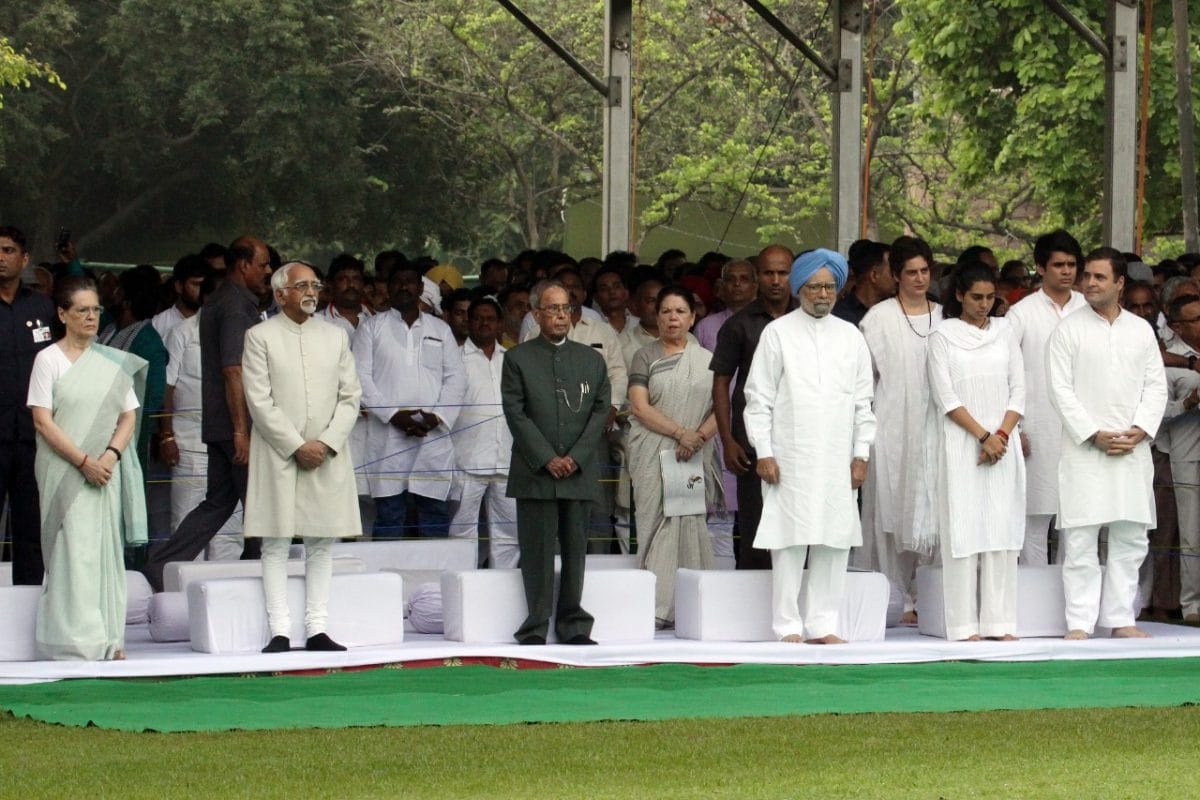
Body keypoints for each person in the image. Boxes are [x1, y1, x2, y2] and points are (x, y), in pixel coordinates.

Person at [743, 249, 875, 643]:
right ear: (799, 288)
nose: (822, 294)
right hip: (791, 456)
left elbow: (863, 402)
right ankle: (786, 625)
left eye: (829, 287)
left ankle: (823, 624)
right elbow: (758, 398)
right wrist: (764, 451)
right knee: (789, 539)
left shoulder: (851, 336)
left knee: (834, 540)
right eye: (815, 287)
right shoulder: (778, 333)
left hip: (838, 456)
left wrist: (861, 453)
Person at [241, 262, 362, 653]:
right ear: (280, 294)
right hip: (279, 453)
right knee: (275, 541)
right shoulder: (259, 336)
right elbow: (258, 400)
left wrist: (325, 442)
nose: (311, 292)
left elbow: (351, 397)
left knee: (321, 541)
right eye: (302, 286)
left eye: (315, 285)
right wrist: (296, 445)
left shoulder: (335, 336)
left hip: (326, 453)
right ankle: (279, 631)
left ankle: (317, 629)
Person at [1047, 247, 1167, 640]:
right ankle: (1079, 622)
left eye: (1100, 277)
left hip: (1132, 448)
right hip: (1085, 449)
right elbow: (1060, 390)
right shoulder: (1068, 330)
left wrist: (1141, 429)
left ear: (1120, 283)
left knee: (1130, 536)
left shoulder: (1140, 330)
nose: (1090, 283)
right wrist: (1092, 433)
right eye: (1088, 276)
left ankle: (1120, 618)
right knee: (1081, 538)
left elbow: (1156, 386)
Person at [142, 236, 272, 591]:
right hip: (238, 426)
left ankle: (160, 566)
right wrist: (241, 430)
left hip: (218, 424)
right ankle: (266, 575)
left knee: (218, 503)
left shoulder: (221, 300)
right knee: (261, 502)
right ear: (243, 265)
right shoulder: (235, 306)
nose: (268, 271)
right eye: (263, 264)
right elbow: (233, 369)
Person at [28, 276, 148, 660]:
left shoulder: (110, 361)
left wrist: (109, 456)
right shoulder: (47, 360)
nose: (91, 317)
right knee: (71, 551)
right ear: (62, 314)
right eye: (82, 310)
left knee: (103, 550)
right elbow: (43, 421)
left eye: (96, 309)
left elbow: (128, 416)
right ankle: (75, 642)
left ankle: (109, 640)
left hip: (104, 470)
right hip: (64, 469)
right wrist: (83, 462)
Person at [501, 280, 610, 645]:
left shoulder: (592, 360)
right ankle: (535, 625)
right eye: (553, 309)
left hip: (578, 472)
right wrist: (547, 458)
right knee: (537, 552)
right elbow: (515, 413)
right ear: (536, 315)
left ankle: (574, 625)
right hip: (535, 472)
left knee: (576, 551)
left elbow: (600, 413)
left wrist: (575, 458)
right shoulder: (517, 358)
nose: (562, 315)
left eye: (566, 308)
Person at [927, 263, 1026, 641]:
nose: (984, 305)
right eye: (976, 297)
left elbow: (1019, 391)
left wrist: (1000, 435)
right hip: (961, 443)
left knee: (1002, 530)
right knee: (963, 531)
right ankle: (963, 625)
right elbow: (946, 397)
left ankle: (1000, 623)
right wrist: (983, 436)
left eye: (989, 297)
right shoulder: (942, 336)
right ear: (959, 296)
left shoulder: (1005, 331)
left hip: (1003, 442)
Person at [856, 236, 942, 622]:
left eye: (924, 271)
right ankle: (895, 598)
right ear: (896, 275)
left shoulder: (946, 317)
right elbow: (864, 381)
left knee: (932, 508)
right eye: (911, 272)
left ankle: (928, 594)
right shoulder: (878, 319)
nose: (919, 279)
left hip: (937, 426)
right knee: (890, 510)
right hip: (891, 426)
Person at [627, 286, 720, 628]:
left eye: (680, 311)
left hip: (691, 455)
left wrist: (697, 438)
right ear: (656, 316)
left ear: (693, 317)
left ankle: (689, 605)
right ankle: (655, 606)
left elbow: (720, 409)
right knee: (654, 524)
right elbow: (639, 407)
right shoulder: (644, 356)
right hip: (655, 451)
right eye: (666, 311)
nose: (673, 318)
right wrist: (681, 433)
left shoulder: (707, 360)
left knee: (688, 524)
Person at [354, 265, 466, 538]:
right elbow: (360, 378)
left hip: (432, 435)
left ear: (420, 288)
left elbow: (456, 379)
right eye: (398, 281)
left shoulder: (440, 329)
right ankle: (387, 568)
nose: (404, 287)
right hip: (387, 434)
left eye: (410, 282)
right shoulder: (371, 328)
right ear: (388, 288)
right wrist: (393, 415)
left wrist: (436, 417)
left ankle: (435, 568)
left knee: (434, 513)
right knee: (390, 515)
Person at [710, 244, 797, 569]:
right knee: (755, 529)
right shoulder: (739, 324)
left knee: (799, 528)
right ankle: (750, 597)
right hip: (751, 443)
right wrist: (727, 439)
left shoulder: (809, 320)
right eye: (768, 273)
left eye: (782, 273)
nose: (775, 280)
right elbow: (721, 383)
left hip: (800, 439)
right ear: (758, 276)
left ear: (793, 275)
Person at [1005, 229, 1087, 565]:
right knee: (1034, 519)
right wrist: (1014, 428)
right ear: (1040, 268)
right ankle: (1034, 591)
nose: (1066, 271)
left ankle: (1073, 595)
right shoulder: (1021, 313)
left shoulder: (1088, 309)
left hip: (1083, 430)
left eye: (1071, 264)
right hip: (1036, 428)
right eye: (1058, 265)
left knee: (1078, 521)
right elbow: (1005, 374)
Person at [159, 272, 245, 559]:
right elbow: (168, 385)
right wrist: (166, 435)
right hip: (190, 442)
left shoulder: (245, 332)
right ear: (207, 298)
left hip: (233, 443)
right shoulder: (182, 331)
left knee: (230, 530)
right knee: (186, 522)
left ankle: (226, 584)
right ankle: (183, 584)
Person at [0, 225, 56, 585]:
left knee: (32, 530)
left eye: (8, 250)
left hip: (35, 437)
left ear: (24, 259)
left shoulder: (42, 307)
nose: (0, 258)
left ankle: (28, 608)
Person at [449, 297, 519, 568]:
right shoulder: (454, 358)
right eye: (478, 318)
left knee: (509, 533)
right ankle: (462, 583)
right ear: (468, 322)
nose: (484, 323)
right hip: (465, 459)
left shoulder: (512, 360)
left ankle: (501, 584)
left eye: (490, 319)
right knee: (461, 531)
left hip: (506, 459)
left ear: (500, 324)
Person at [1161, 293, 1200, 624]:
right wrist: (1190, 402)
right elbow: (1159, 414)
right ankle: (1192, 605)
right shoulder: (1168, 360)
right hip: (1187, 455)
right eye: (1196, 320)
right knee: (1191, 534)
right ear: (1177, 326)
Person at [834, 240, 894, 327]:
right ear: (874, 275)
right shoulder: (839, 317)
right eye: (892, 272)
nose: (897, 278)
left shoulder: (897, 310)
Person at [151, 254, 206, 342]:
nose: (202, 289)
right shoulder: (157, 325)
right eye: (196, 284)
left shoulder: (214, 321)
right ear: (179, 286)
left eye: (205, 284)